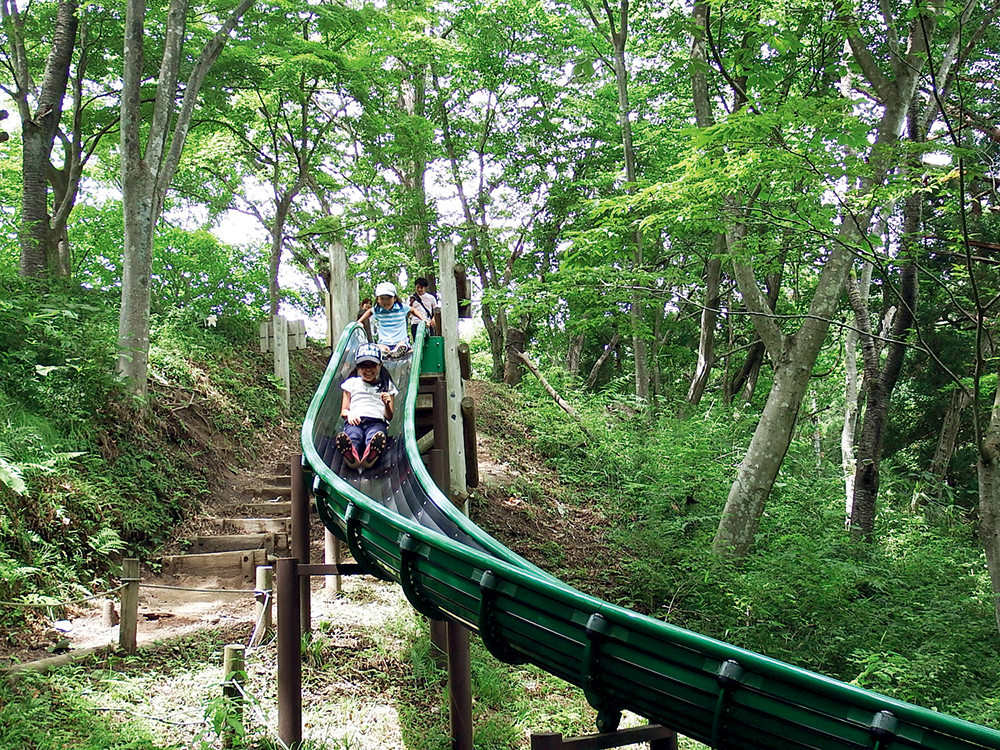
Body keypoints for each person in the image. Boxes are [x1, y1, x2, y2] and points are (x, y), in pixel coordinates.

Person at [335, 343, 398, 470]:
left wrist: (386, 404)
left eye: (372, 366)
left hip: (377, 421)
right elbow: (344, 410)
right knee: (353, 434)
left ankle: (371, 454)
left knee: (375, 434)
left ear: (380, 365)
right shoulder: (351, 383)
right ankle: (350, 456)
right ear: (358, 367)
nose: (368, 370)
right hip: (355, 420)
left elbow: (389, 416)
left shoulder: (386, 385)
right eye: (364, 366)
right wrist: (350, 413)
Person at [357, 281, 428, 358]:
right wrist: (359, 322)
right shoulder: (378, 310)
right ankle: (385, 352)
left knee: (402, 344)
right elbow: (369, 311)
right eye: (382, 298)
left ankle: (398, 350)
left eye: (388, 298)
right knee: (380, 347)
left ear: (394, 298)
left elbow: (413, 310)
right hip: (384, 342)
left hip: (399, 340)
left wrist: (424, 319)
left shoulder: (401, 308)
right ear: (377, 299)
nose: (385, 301)